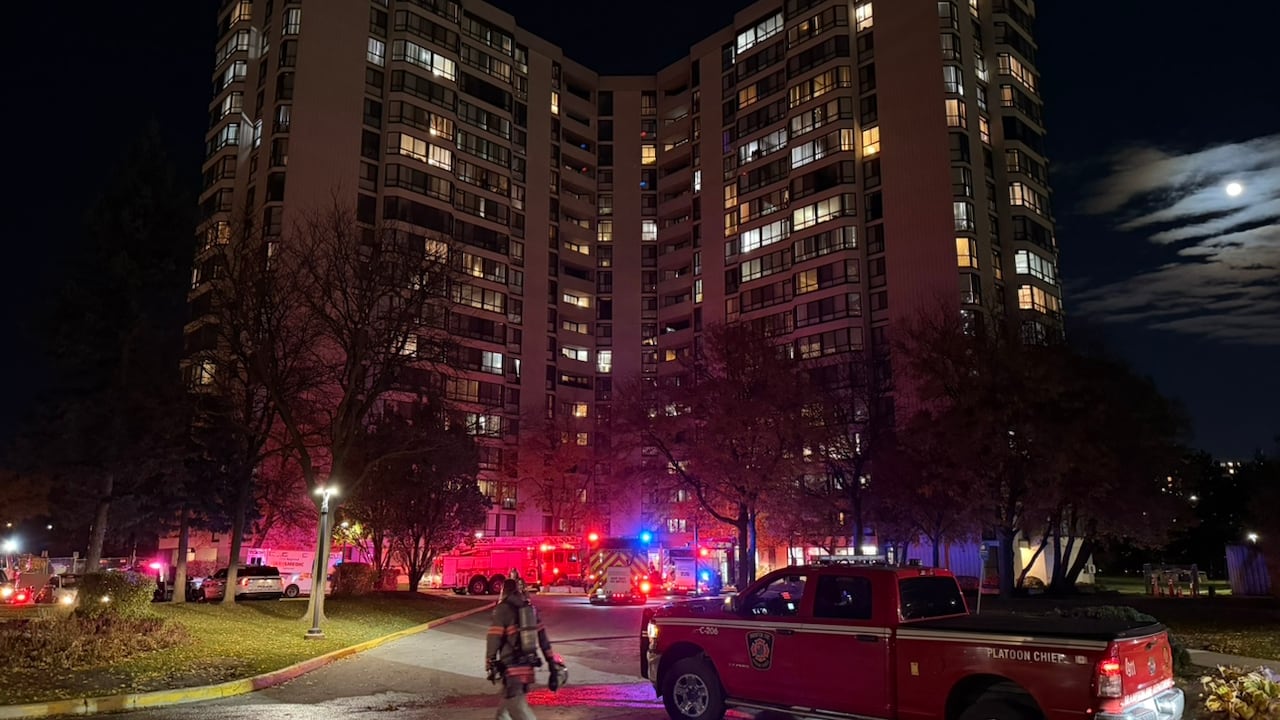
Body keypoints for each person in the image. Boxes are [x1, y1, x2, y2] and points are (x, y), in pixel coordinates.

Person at [486, 578, 560, 720]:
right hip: (527, 667)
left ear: (503, 591)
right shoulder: (530, 610)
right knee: (503, 714)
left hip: (511, 667)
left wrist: (490, 662)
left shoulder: (502, 609)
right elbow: (543, 641)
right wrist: (552, 666)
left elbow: (494, 637)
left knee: (516, 706)